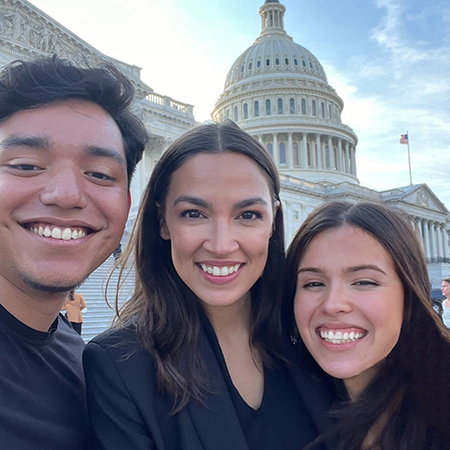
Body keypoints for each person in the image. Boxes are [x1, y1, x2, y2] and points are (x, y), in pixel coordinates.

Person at [83, 122, 336, 450]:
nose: (221, 244)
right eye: (193, 213)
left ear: (273, 221)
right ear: (162, 221)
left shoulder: (314, 339)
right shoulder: (120, 367)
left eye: (247, 215)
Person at [0, 55, 149, 449]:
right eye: (26, 165)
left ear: (127, 203)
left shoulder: (90, 362)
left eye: (100, 174)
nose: (66, 195)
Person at [285, 201, 450, 449]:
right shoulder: (283, 410)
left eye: (364, 282)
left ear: (409, 297)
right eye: (314, 283)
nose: (332, 304)